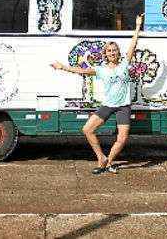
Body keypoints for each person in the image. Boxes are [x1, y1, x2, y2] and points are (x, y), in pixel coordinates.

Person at [51, 14, 143, 174]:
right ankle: (101, 158)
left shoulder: (124, 64)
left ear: (118, 52)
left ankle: (109, 163)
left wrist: (137, 26)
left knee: (122, 138)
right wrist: (62, 67)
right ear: (105, 54)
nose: (112, 53)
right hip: (107, 105)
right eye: (109, 51)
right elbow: (82, 70)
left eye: (114, 50)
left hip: (123, 107)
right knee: (87, 130)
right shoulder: (100, 69)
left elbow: (133, 44)